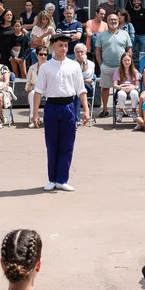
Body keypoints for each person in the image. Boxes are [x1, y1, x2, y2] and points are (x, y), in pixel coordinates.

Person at [31, 34, 89, 192]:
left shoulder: (74, 66)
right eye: (60, 45)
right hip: (51, 106)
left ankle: (62, 179)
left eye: (66, 45)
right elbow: (38, 91)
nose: (63, 48)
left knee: (67, 144)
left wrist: (86, 109)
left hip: (69, 107)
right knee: (52, 144)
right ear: (53, 46)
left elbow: (81, 89)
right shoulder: (45, 67)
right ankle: (52, 179)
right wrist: (35, 114)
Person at [95, 13, 132, 118]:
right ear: (107, 21)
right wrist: (100, 64)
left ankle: (121, 110)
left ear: (118, 21)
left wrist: (128, 64)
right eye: (111, 19)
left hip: (122, 68)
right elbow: (97, 51)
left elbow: (129, 49)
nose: (113, 21)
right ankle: (105, 109)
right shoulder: (101, 35)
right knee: (105, 88)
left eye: (115, 19)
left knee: (122, 88)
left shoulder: (125, 34)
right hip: (106, 66)